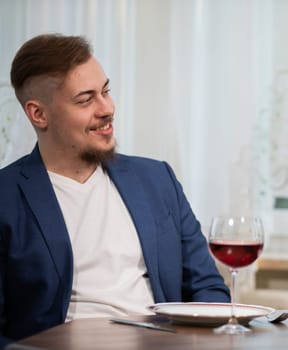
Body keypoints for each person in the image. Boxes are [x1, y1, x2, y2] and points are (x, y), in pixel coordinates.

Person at [0, 33, 230, 346]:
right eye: (85, 100)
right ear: (38, 114)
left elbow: (208, 289)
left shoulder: (157, 179)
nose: (107, 108)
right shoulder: (6, 196)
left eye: (106, 91)